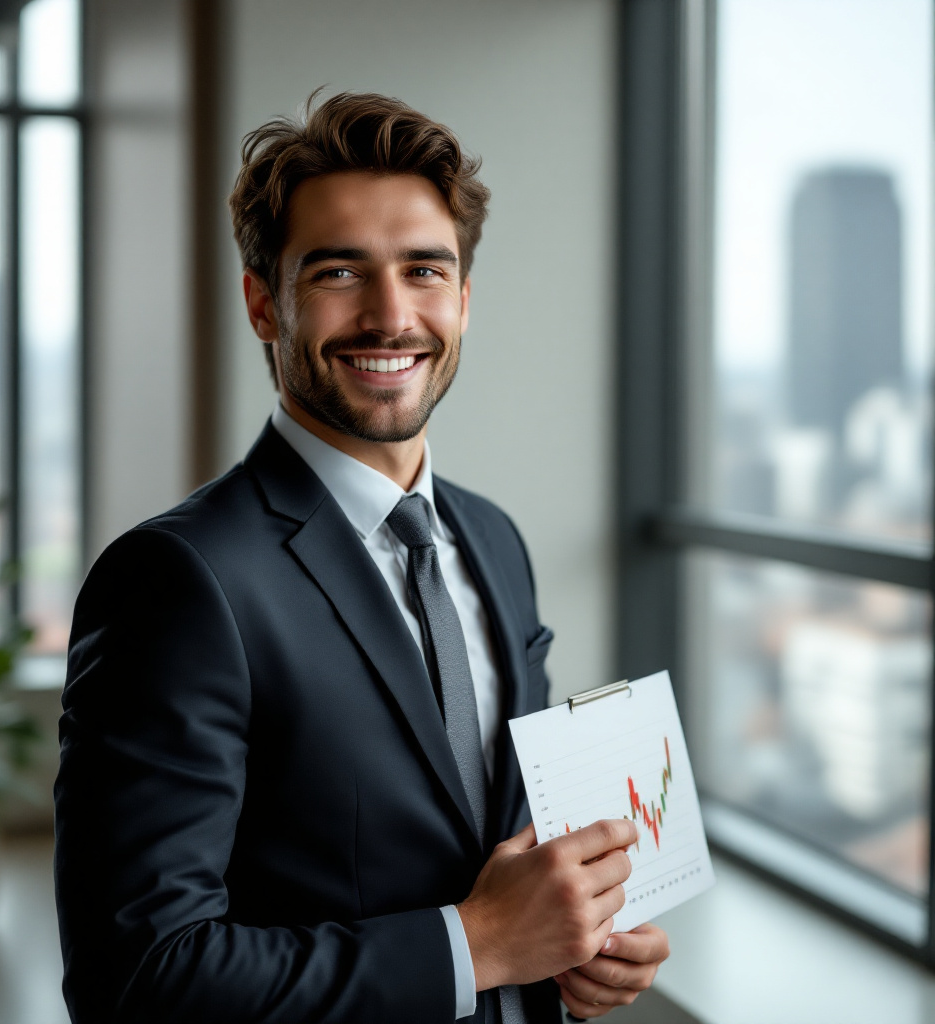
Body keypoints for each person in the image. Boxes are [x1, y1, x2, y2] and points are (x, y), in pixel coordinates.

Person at [54, 91, 670, 1024]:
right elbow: (138, 978)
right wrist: (480, 944)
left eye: (426, 270)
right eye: (341, 271)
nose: (391, 316)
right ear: (265, 302)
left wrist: (580, 942)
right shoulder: (178, 582)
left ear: (462, 302)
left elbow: (502, 851)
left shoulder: (494, 541)